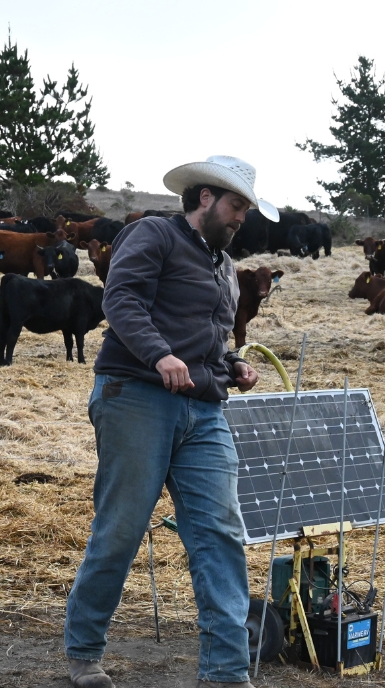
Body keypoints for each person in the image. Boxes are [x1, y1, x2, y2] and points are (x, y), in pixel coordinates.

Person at [64, 156, 279, 688]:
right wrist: (160, 356)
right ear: (204, 198)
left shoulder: (226, 267)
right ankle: (85, 651)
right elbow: (122, 299)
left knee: (221, 534)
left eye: (246, 209)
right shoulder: (152, 235)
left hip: (203, 408)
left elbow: (212, 339)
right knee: (121, 529)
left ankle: (227, 673)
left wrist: (234, 365)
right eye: (235, 206)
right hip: (136, 396)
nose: (240, 218)